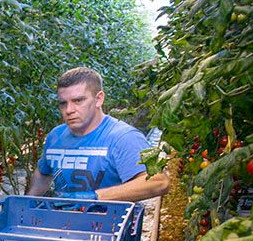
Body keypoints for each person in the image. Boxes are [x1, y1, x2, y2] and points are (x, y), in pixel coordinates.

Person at [27, 67, 169, 202]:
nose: (69, 110)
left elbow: (159, 182)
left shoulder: (124, 137)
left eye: (78, 101)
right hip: (65, 222)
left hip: (109, 224)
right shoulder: (56, 136)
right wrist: (28, 201)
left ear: (99, 99)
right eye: (63, 103)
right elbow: (43, 173)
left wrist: (94, 197)